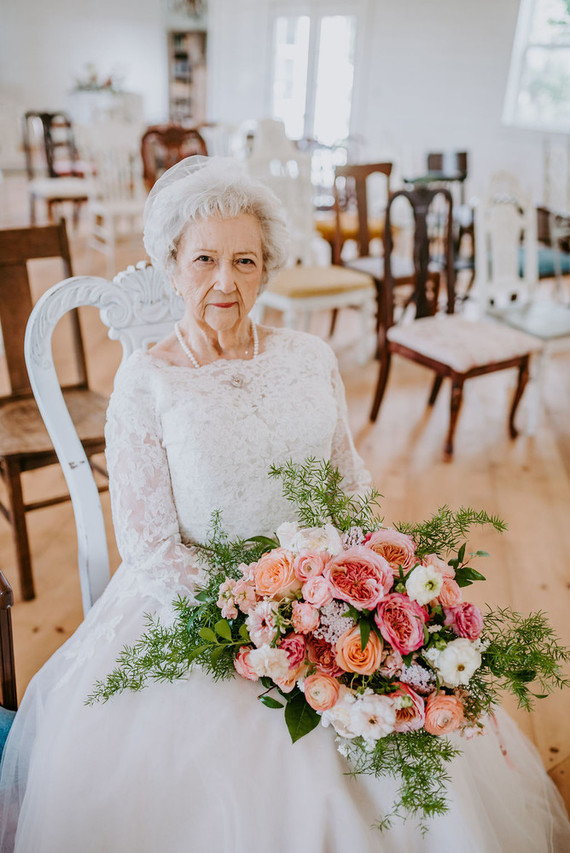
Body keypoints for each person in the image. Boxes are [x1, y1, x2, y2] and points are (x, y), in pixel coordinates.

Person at [0, 156, 568, 853]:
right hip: (202, 614)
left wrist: (369, 580)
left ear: (267, 268)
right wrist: (261, 624)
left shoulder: (309, 354)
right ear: (172, 264)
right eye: (204, 258)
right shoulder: (147, 381)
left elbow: (350, 480)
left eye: (245, 260)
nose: (224, 281)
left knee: (417, 744)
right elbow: (151, 547)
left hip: (331, 594)